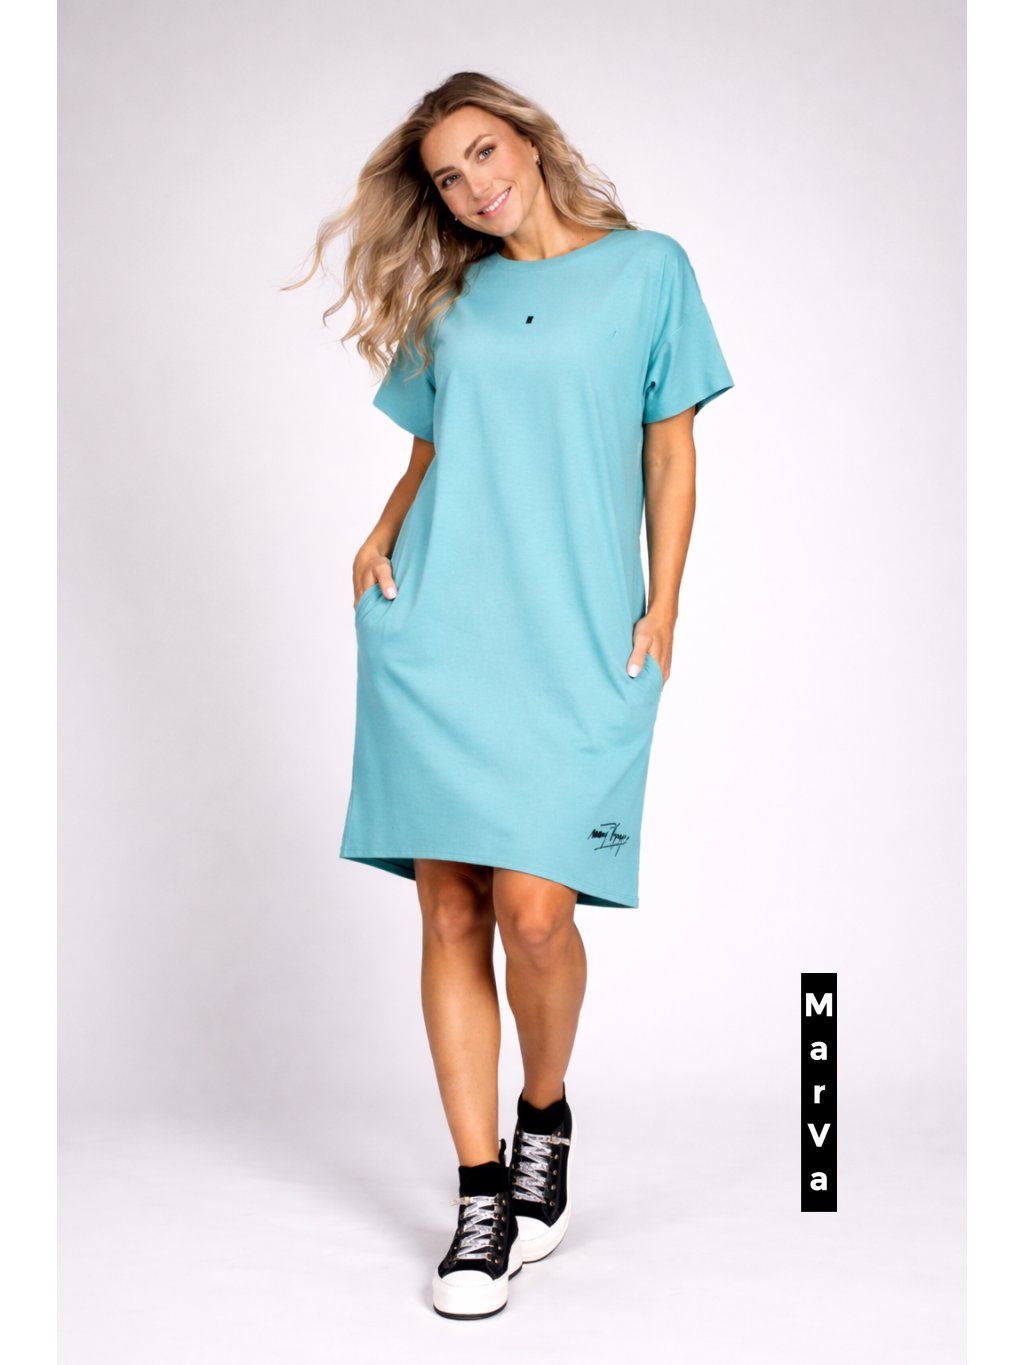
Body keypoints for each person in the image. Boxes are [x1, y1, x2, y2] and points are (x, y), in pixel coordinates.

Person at [289, 71, 734, 1319]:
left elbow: (670, 448)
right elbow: (434, 444)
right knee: (450, 910)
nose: (473, 185)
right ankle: (480, 1192)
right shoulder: (457, 299)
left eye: (484, 153)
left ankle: (545, 1115)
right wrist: (380, 531)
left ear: (529, 143)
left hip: (574, 630)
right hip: (440, 627)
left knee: (537, 914)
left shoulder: (647, 271)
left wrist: (662, 605)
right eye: (448, 176)